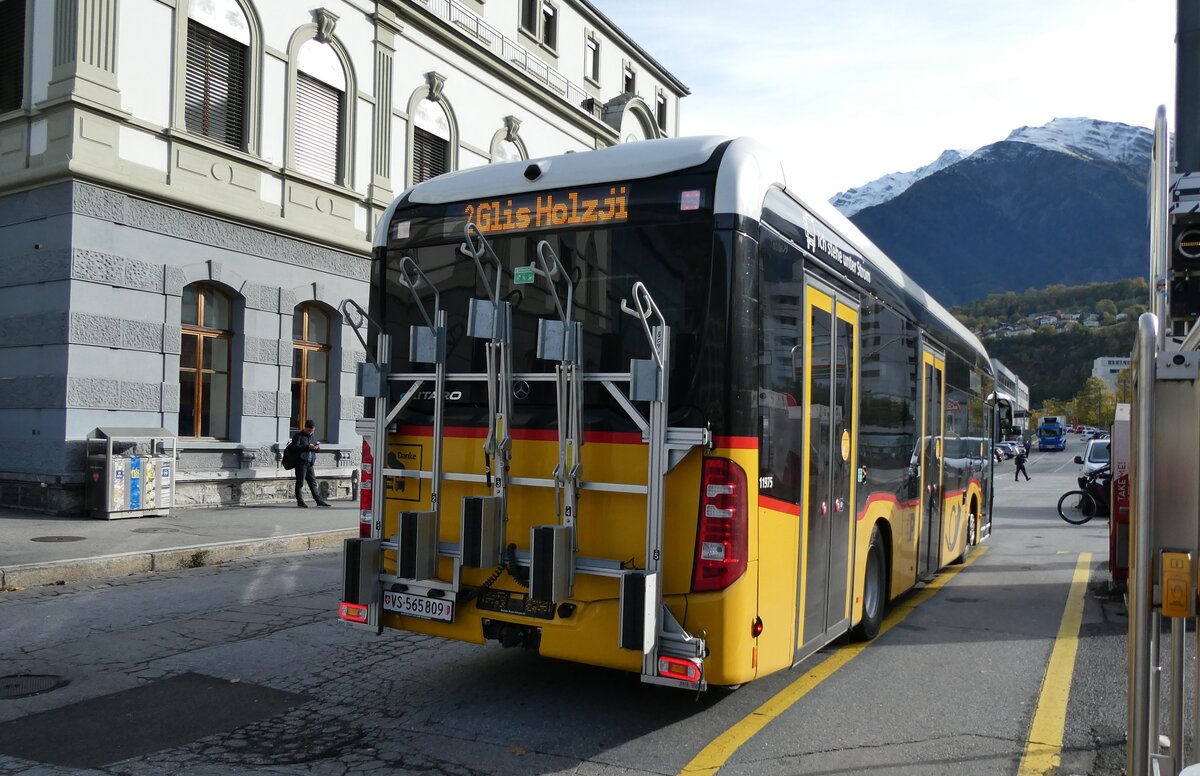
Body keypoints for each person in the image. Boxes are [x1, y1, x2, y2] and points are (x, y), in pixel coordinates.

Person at [293, 420, 330, 507]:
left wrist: (316, 448)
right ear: (305, 428)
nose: (311, 432)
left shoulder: (313, 437)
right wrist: (307, 447)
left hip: (310, 463)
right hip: (301, 463)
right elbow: (295, 447)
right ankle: (300, 501)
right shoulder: (298, 436)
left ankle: (319, 501)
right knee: (300, 482)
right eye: (310, 430)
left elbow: (317, 450)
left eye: (313, 431)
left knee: (313, 483)